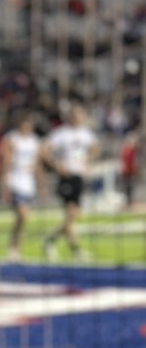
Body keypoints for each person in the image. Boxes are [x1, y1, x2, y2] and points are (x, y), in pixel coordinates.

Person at [40, 103, 99, 260]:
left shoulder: (86, 134)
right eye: (75, 114)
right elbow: (44, 151)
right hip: (66, 177)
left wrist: (88, 163)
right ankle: (76, 250)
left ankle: (51, 240)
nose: (78, 117)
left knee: (72, 217)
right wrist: (56, 165)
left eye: (80, 114)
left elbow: (95, 148)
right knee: (71, 215)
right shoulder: (61, 134)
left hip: (79, 177)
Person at [0, 111, 44, 262]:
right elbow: (6, 162)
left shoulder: (34, 141)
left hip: (28, 183)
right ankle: (14, 248)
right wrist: (4, 184)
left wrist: (41, 184)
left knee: (22, 219)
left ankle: (15, 247)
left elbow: (37, 164)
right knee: (22, 215)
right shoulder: (12, 138)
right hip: (16, 181)